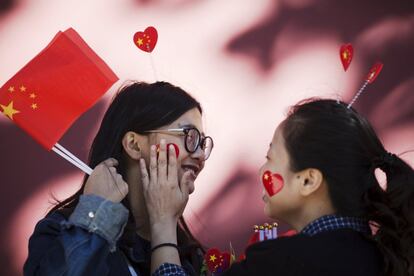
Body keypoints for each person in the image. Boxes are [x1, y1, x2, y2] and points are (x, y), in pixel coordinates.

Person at [145, 98, 414, 276]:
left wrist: (162, 222)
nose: (263, 170)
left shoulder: (284, 263)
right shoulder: (385, 257)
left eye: (270, 158)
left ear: (308, 181)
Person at [24, 81, 214, 276]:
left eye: (202, 142)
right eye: (189, 136)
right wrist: (94, 214)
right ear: (134, 145)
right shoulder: (59, 231)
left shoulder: (190, 256)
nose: (200, 154)